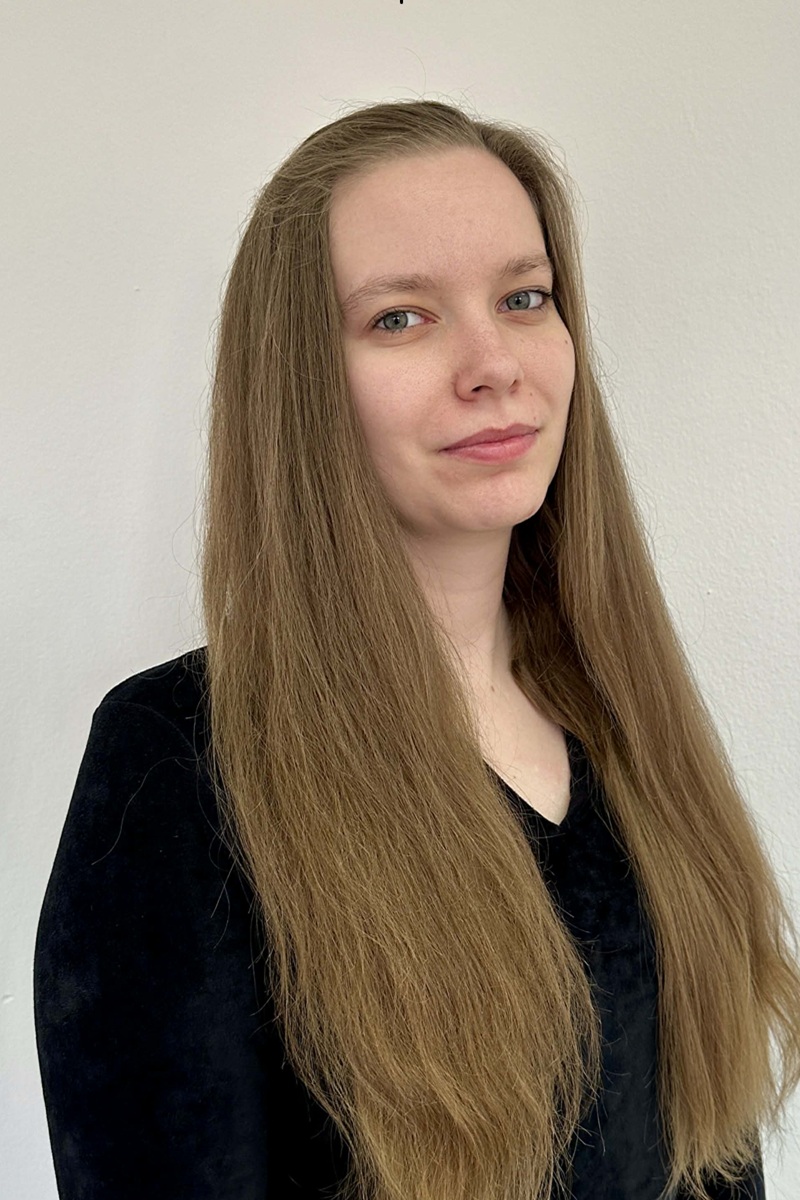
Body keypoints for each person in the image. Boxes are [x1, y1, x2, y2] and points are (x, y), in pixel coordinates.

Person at [33, 98, 800, 1200]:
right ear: (301, 382)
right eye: (400, 318)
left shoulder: (622, 716)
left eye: (523, 298)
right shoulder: (176, 765)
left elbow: (710, 1150)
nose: (493, 363)